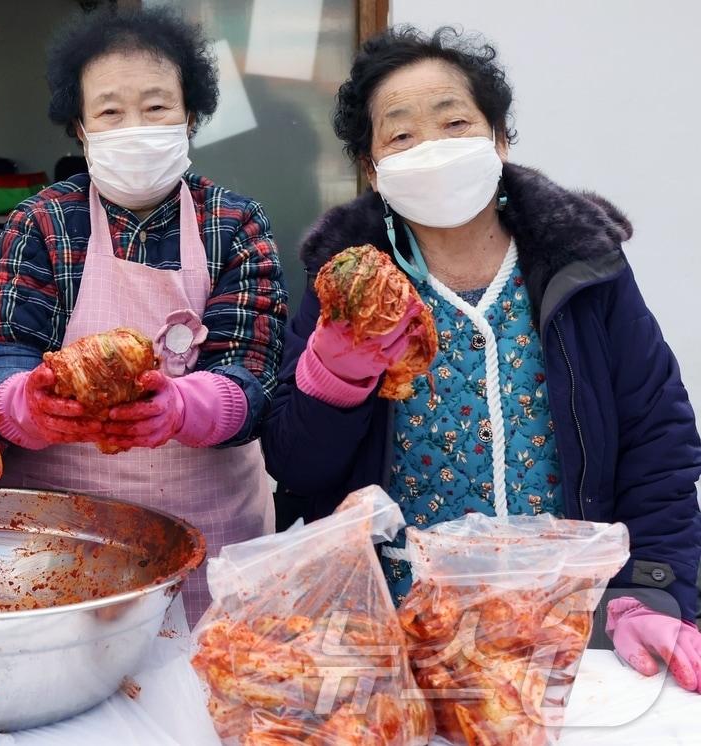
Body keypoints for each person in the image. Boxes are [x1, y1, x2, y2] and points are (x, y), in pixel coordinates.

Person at [260, 26, 701, 691]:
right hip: (394, 644)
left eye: (455, 122)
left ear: (498, 138)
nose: (431, 147)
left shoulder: (583, 267)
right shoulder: (348, 287)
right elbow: (295, 464)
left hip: (570, 632)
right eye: (401, 135)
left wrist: (653, 590)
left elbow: (656, 440)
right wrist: (338, 369)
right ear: (373, 167)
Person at [0, 8, 288, 621]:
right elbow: (3, 359)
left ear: (191, 117)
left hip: (210, 535)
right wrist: (30, 405)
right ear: (81, 128)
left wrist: (178, 407)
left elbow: (251, 383)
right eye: (110, 112)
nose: (135, 127)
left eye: (157, 107)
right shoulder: (41, 221)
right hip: (58, 537)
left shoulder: (237, 224)